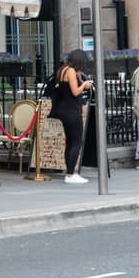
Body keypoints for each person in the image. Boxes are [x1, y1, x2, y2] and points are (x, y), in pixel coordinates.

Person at [47, 52, 94, 184]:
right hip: (72, 111)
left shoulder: (62, 70)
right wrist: (84, 85)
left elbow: (65, 88)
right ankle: (70, 174)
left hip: (63, 110)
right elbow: (75, 91)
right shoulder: (71, 71)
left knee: (69, 142)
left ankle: (69, 172)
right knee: (76, 142)